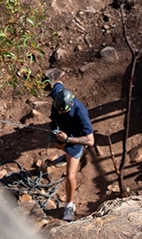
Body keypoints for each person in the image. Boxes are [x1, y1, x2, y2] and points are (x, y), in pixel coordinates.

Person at [48, 81, 94, 222]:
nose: (60, 112)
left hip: (74, 138)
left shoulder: (81, 113)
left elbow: (90, 141)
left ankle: (69, 205)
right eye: (58, 109)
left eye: (63, 111)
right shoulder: (59, 95)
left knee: (69, 176)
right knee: (57, 145)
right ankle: (66, 155)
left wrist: (68, 139)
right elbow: (58, 83)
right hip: (61, 131)